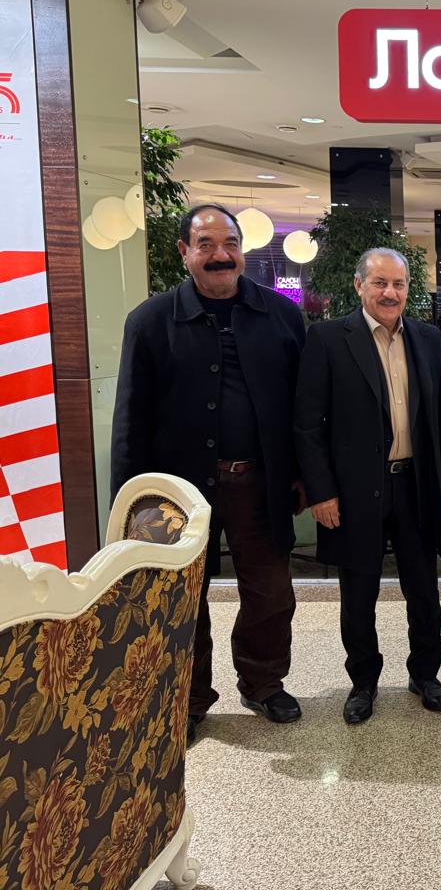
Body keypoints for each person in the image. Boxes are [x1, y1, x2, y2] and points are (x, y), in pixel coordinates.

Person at [111, 203, 305, 741]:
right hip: (177, 490)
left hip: (260, 483)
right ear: (184, 252)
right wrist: (129, 502)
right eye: (206, 245)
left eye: (230, 244)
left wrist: (305, 475)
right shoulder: (150, 321)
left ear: (242, 249)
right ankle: (190, 698)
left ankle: (263, 684)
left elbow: (303, 408)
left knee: (270, 593)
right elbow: (130, 418)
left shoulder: (282, 316)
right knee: (181, 597)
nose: (221, 255)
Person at [294, 247, 441, 725]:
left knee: (424, 589)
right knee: (358, 592)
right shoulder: (328, 338)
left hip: (416, 485)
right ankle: (363, 682)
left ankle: (425, 674)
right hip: (353, 491)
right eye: (380, 283)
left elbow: (439, 417)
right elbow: (307, 423)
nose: (390, 292)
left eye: (399, 284)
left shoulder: (427, 338)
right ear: (359, 285)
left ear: (409, 289)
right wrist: (321, 491)